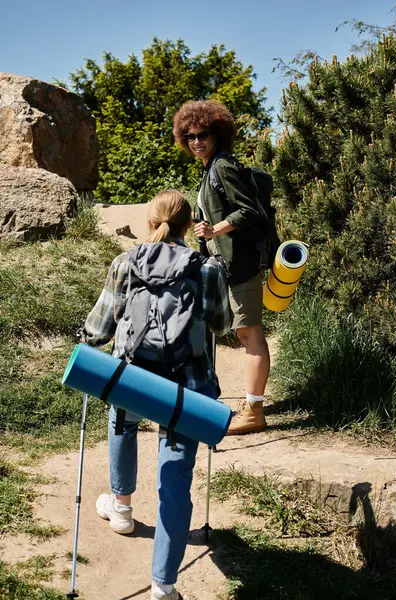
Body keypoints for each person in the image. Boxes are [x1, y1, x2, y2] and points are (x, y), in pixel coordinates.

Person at [81, 190, 232, 600]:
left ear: (151, 222)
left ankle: (122, 509)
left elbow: (101, 326)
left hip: (133, 377)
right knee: (176, 478)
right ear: (187, 226)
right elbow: (221, 325)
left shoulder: (125, 262)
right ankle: (164, 588)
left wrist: (86, 339)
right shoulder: (207, 269)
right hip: (188, 384)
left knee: (122, 422)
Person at [173, 100, 271, 436]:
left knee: (250, 333)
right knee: (240, 333)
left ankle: (254, 411)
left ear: (217, 134)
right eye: (189, 136)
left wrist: (217, 228)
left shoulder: (223, 166)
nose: (196, 141)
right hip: (224, 264)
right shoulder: (210, 168)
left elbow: (250, 212)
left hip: (240, 262)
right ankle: (244, 405)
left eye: (203, 134)